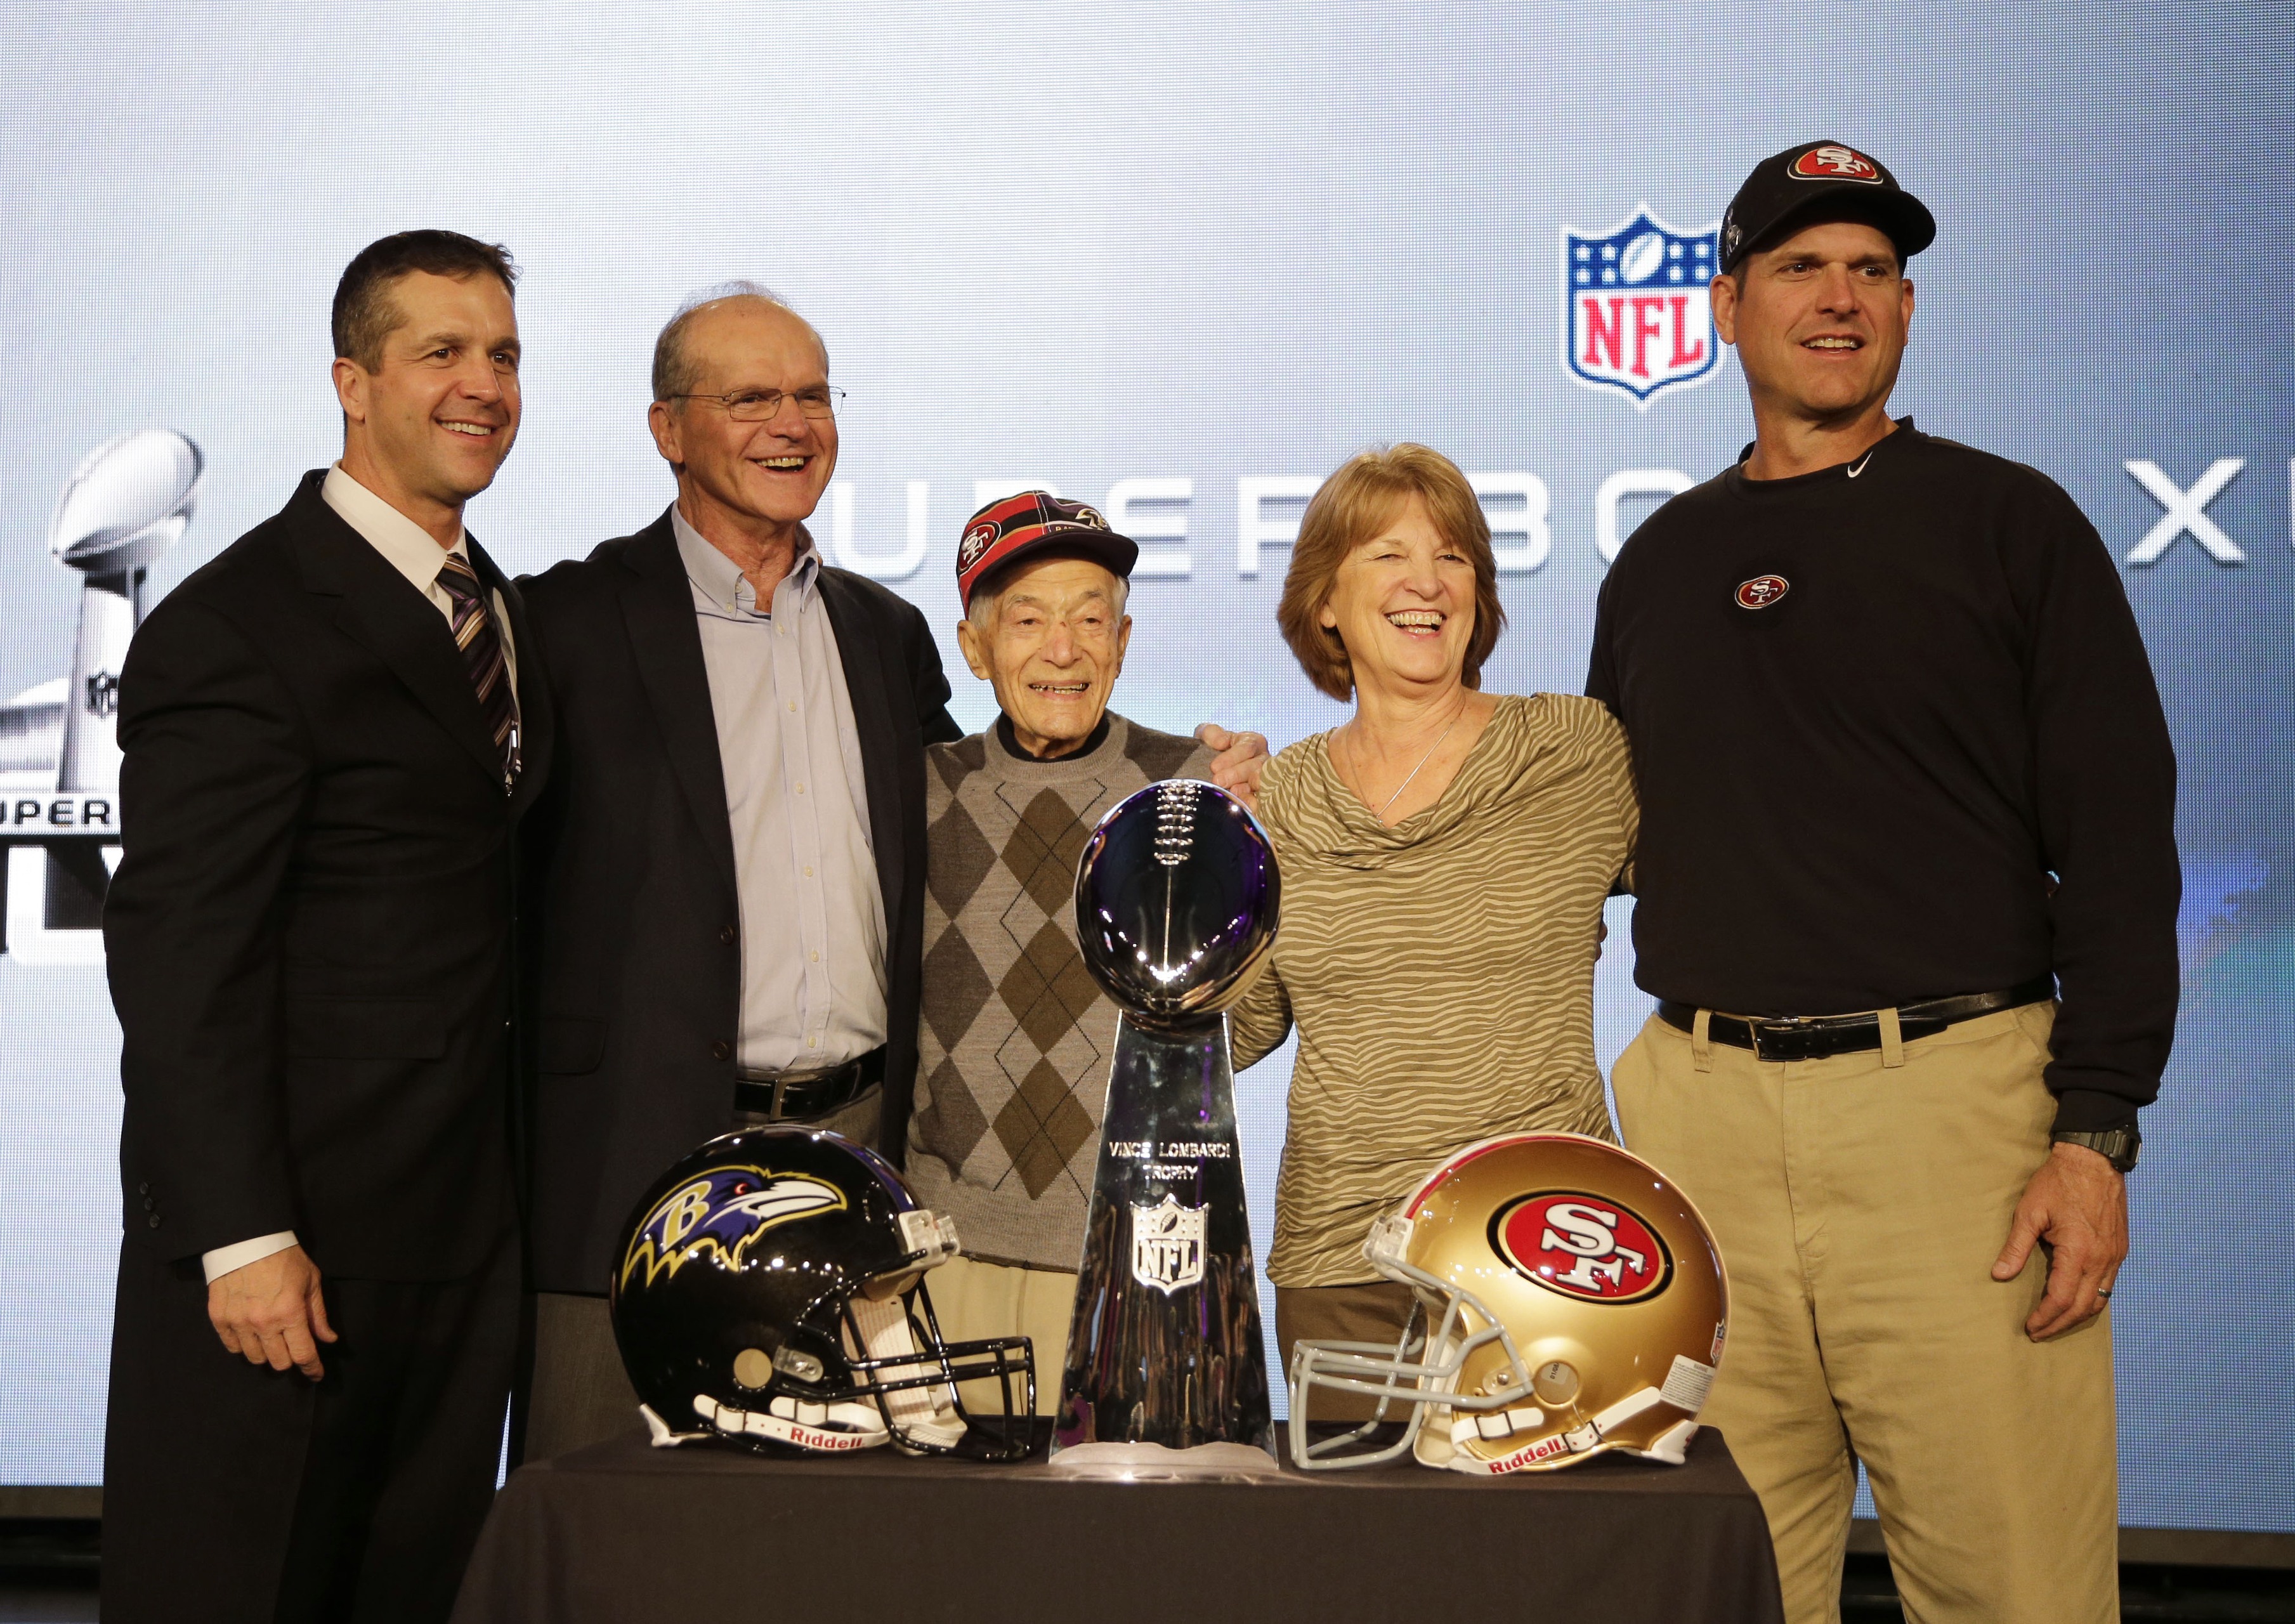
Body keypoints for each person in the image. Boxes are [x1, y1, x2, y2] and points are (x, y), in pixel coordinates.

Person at [516, 285, 1267, 1458]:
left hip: (860, 1155)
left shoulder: (881, 633)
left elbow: (992, 817)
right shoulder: (560, 622)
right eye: (750, 395)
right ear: (667, 428)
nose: (788, 421)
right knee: (608, 1511)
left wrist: (1206, 787)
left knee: (847, 1532)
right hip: (634, 1152)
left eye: (811, 394)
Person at [1589, 141, 2177, 1624]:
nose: (1839, 297)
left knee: (2015, 1591)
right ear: (1728, 306)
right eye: (1800, 266)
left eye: (1871, 270)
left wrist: (2095, 1129)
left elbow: (2118, 838)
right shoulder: (1658, 563)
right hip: (1697, 1118)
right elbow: (1589, 840)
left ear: (1907, 309)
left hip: (1955, 1116)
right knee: (1713, 1583)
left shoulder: (2010, 522)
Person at [100, 230, 550, 1623]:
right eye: (442, 352)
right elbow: (183, 961)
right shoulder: (238, 622)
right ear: (352, 382)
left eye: (504, 354)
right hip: (287, 1257)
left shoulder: (507, 611)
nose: (482, 384)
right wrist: (239, 1234)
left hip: (463, 1248)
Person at [1230, 443, 1637, 1389]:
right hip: (1343, 1267)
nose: (1426, 582)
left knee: (1560, 1542)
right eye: (1386, 554)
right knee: (1367, 1543)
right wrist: (1192, 870)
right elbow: (1239, 1033)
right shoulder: (1277, 797)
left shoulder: (1574, 753)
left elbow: (1725, 904)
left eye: (1452, 557)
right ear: (1324, 600)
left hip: (1554, 1251)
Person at [901, 490, 1216, 1401]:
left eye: (1090, 619)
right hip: (950, 1248)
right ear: (973, 645)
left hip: (1138, 1244)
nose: (1063, 649)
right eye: (1028, 619)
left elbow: (1247, 1005)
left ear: (1123, 640)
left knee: (1134, 1537)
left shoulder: (1187, 786)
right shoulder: (921, 792)